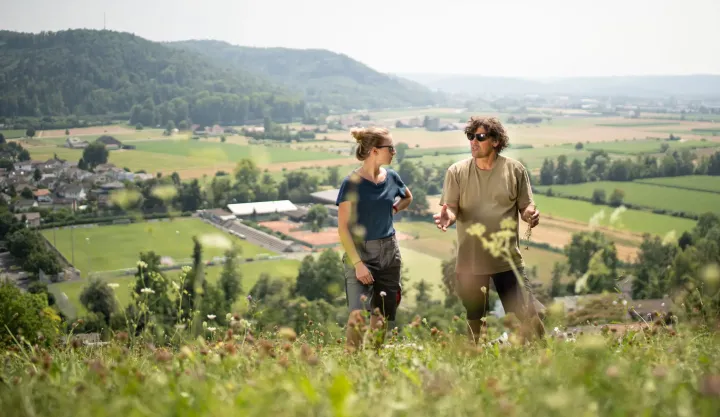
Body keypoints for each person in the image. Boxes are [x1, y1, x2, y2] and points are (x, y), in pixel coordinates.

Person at [433, 116, 545, 343]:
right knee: (475, 318)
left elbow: (525, 205)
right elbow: (452, 208)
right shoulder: (456, 171)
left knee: (528, 314)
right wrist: (448, 217)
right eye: (470, 136)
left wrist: (530, 214)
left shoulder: (514, 170)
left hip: (507, 259)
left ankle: (545, 352)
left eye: (480, 137)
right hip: (471, 261)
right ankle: (476, 362)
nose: (473, 141)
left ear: (495, 141)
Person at [336, 126, 413, 350]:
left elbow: (407, 197)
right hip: (359, 255)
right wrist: (359, 265)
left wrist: (394, 209)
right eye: (390, 147)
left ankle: (374, 364)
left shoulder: (393, 177)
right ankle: (352, 365)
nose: (394, 152)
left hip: (389, 253)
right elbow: (343, 228)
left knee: (381, 317)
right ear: (374, 151)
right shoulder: (351, 183)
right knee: (357, 318)